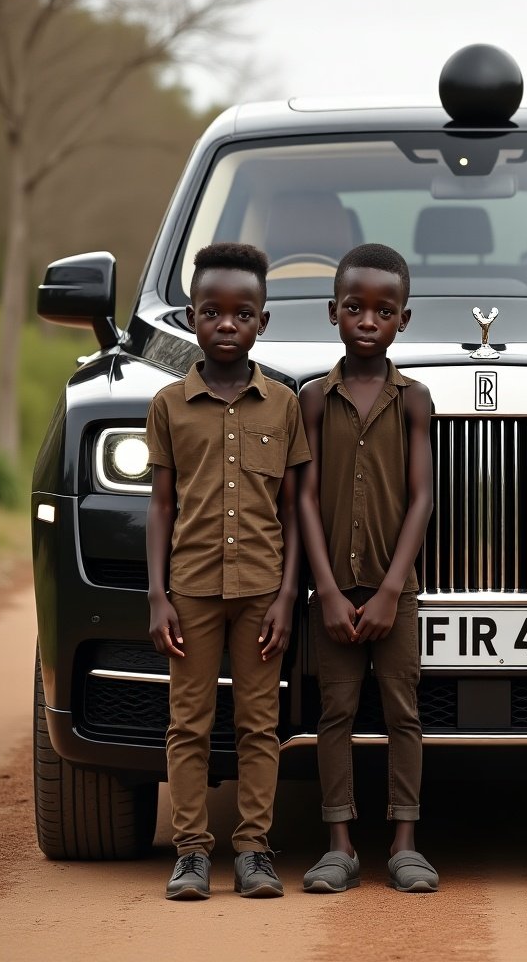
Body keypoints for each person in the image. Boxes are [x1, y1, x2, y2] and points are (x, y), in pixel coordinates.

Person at [146, 242, 311, 901]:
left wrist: (287, 595)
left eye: (242, 314)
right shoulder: (167, 404)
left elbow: (295, 508)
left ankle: (253, 852)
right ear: (191, 318)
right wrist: (157, 596)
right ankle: (190, 852)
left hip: (260, 592)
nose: (226, 324)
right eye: (211, 311)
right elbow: (160, 505)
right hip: (189, 591)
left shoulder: (284, 404)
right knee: (188, 722)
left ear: (262, 322)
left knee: (257, 723)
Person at [298, 242, 437, 894]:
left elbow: (422, 497)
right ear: (333, 312)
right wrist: (324, 589)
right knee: (336, 712)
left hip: (392, 590)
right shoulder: (313, 400)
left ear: (403, 320)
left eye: (383, 311)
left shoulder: (414, 400)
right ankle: (340, 844)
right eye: (354, 307)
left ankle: (405, 842)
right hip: (332, 589)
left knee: (402, 710)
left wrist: (389, 591)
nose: (367, 321)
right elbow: (302, 495)